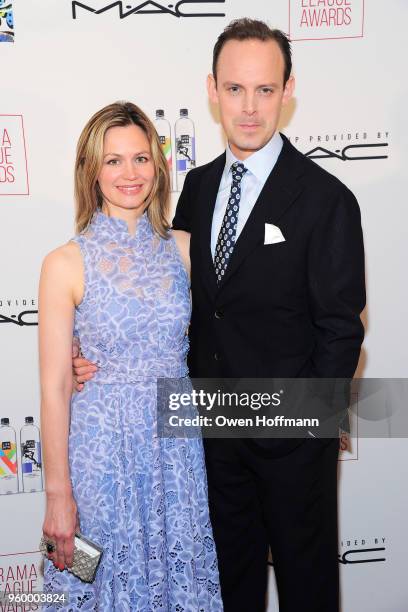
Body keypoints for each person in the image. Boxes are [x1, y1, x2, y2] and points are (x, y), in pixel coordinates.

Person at [74, 19, 365, 612]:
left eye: (264, 89)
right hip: (204, 446)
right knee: (227, 593)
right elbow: (177, 304)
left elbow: (340, 330)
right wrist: (103, 360)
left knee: (308, 591)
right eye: (235, 89)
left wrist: (307, 434)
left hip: (291, 446)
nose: (250, 107)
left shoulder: (326, 198)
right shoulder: (198, 189)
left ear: (287, 91)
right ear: (212, 90)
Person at [39, 101, 223, 611]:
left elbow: (236, 331)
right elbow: (55, 388)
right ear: (92, 170)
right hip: (98, 454)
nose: (130, 173)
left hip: (177, 453)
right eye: (113, 160)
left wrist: (316, 405)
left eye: (141, 158)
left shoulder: (185, 249)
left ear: (159, 165)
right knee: (85, 577)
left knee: (174, 576)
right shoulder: (63, 263)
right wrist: (58, 496)